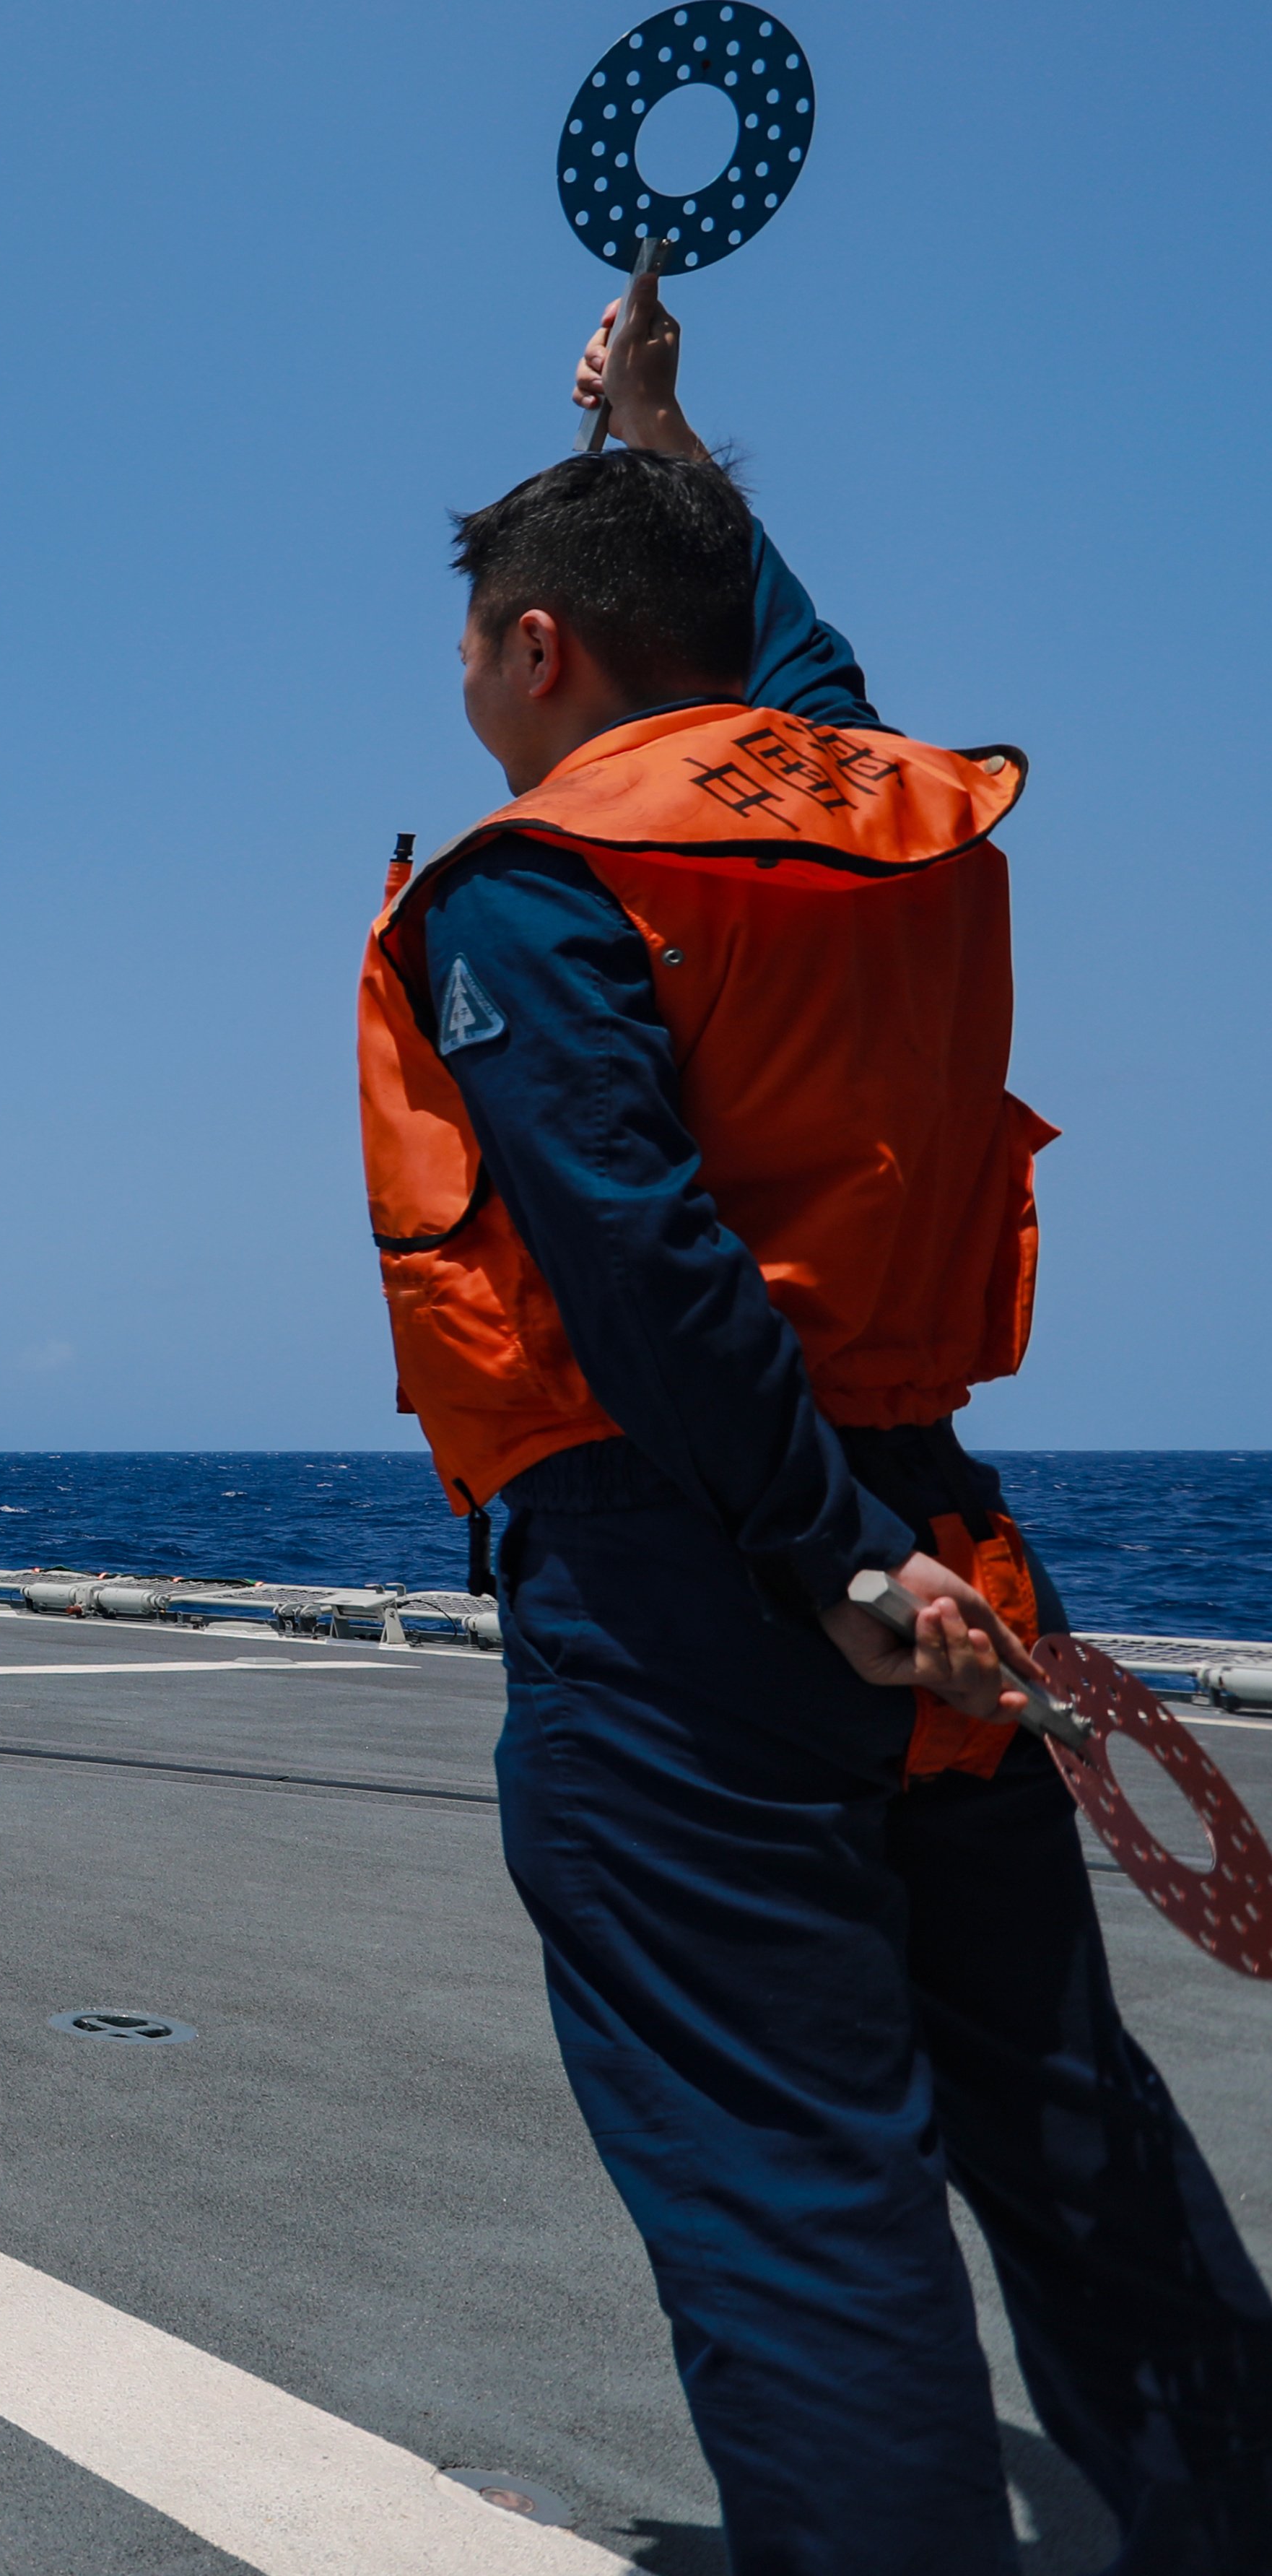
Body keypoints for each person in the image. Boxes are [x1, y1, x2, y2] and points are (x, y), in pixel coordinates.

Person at [355, 280, 1271, 2575]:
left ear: (542, 647)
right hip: (946, 1544)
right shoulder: (896, 823)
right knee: (1063, 2123)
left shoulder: (543, 887)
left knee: (791, 2184)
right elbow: (803, 671)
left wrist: (819, 1554)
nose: (465, 686)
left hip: (722, 1583)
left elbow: (639, 1265)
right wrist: (669, 438)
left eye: (476, 644)